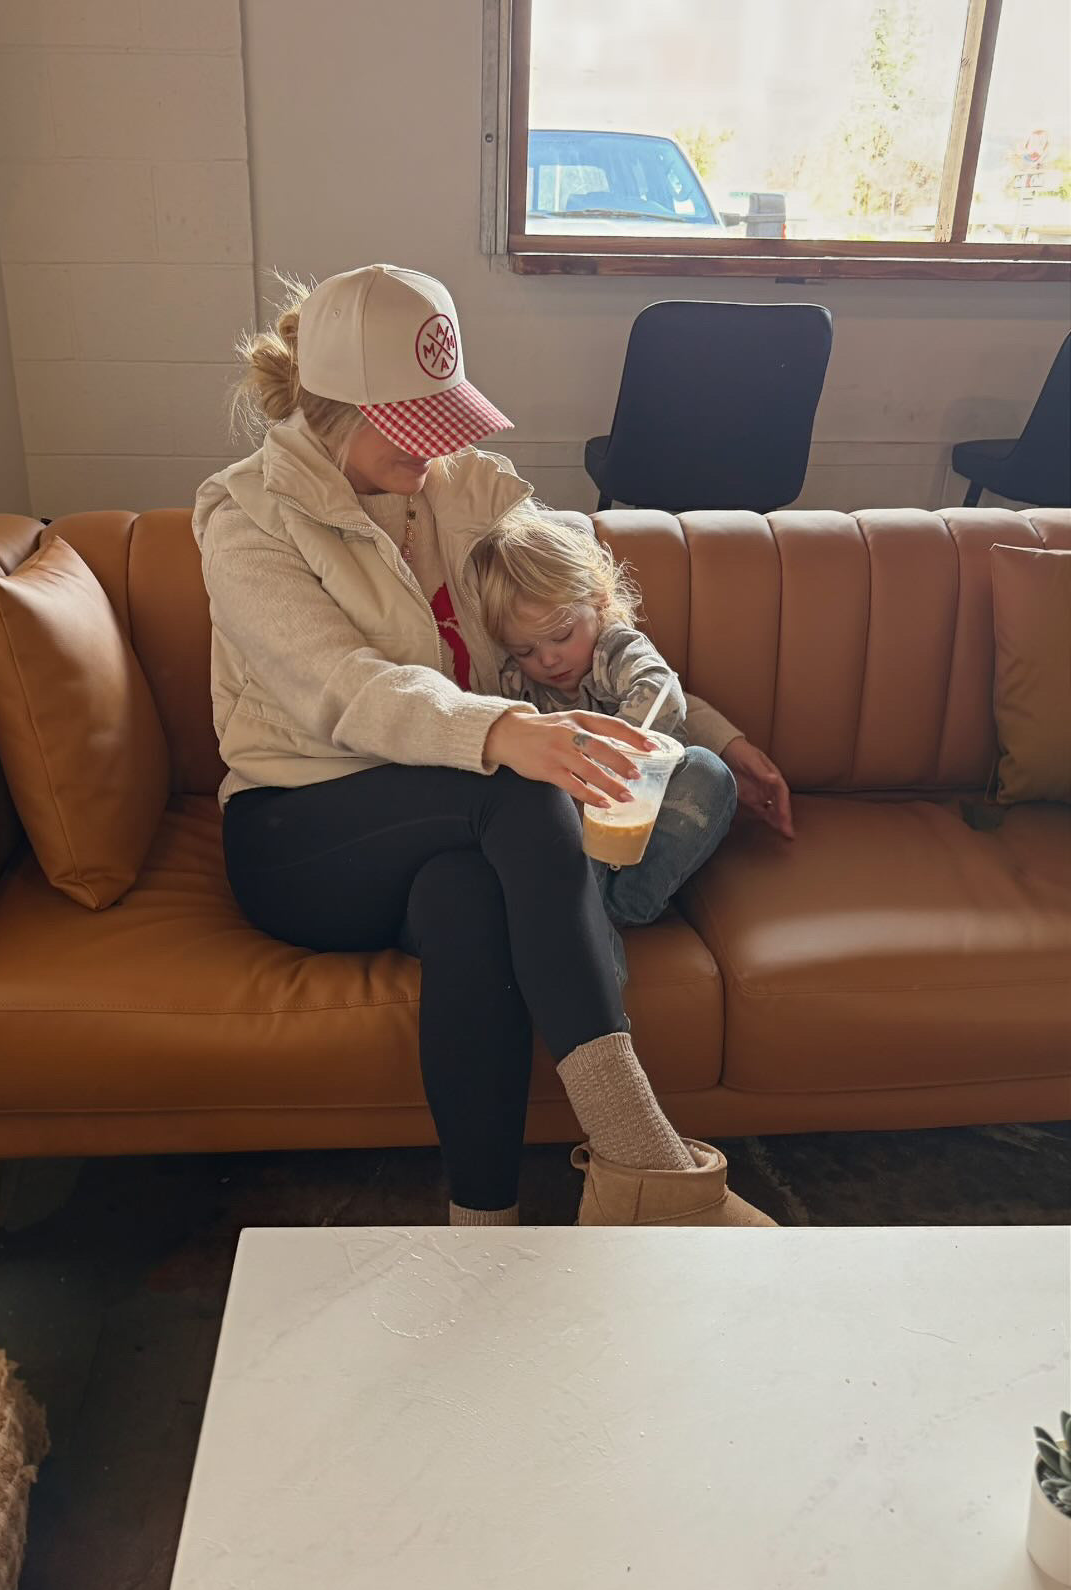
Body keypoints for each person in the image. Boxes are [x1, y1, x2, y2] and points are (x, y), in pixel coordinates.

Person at [192, 262, 789, 1228]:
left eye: (447, 419)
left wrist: (720, 733)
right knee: (521, 789)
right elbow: (344, 688)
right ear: (340, 409)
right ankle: (645, 1160)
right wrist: (507, 731)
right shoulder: (245, 518)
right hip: (302, 834)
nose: (439, 451)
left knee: (471, 902)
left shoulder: (468, 487)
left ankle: (484, 1228)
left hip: (449, 826)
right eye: (415, 426)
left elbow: (581, 624)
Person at [475, 510, 738, 956]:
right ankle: (588, 925)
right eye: (526, 650)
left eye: (561, 635)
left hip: (639, 823)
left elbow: (664, 694)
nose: (549, 660)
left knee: (709, 772)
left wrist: (610, 761)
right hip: (566, 832)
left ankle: (627, 905)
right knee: (542, 810)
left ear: (597, 601)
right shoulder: (513, 679)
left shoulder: (614, 648)